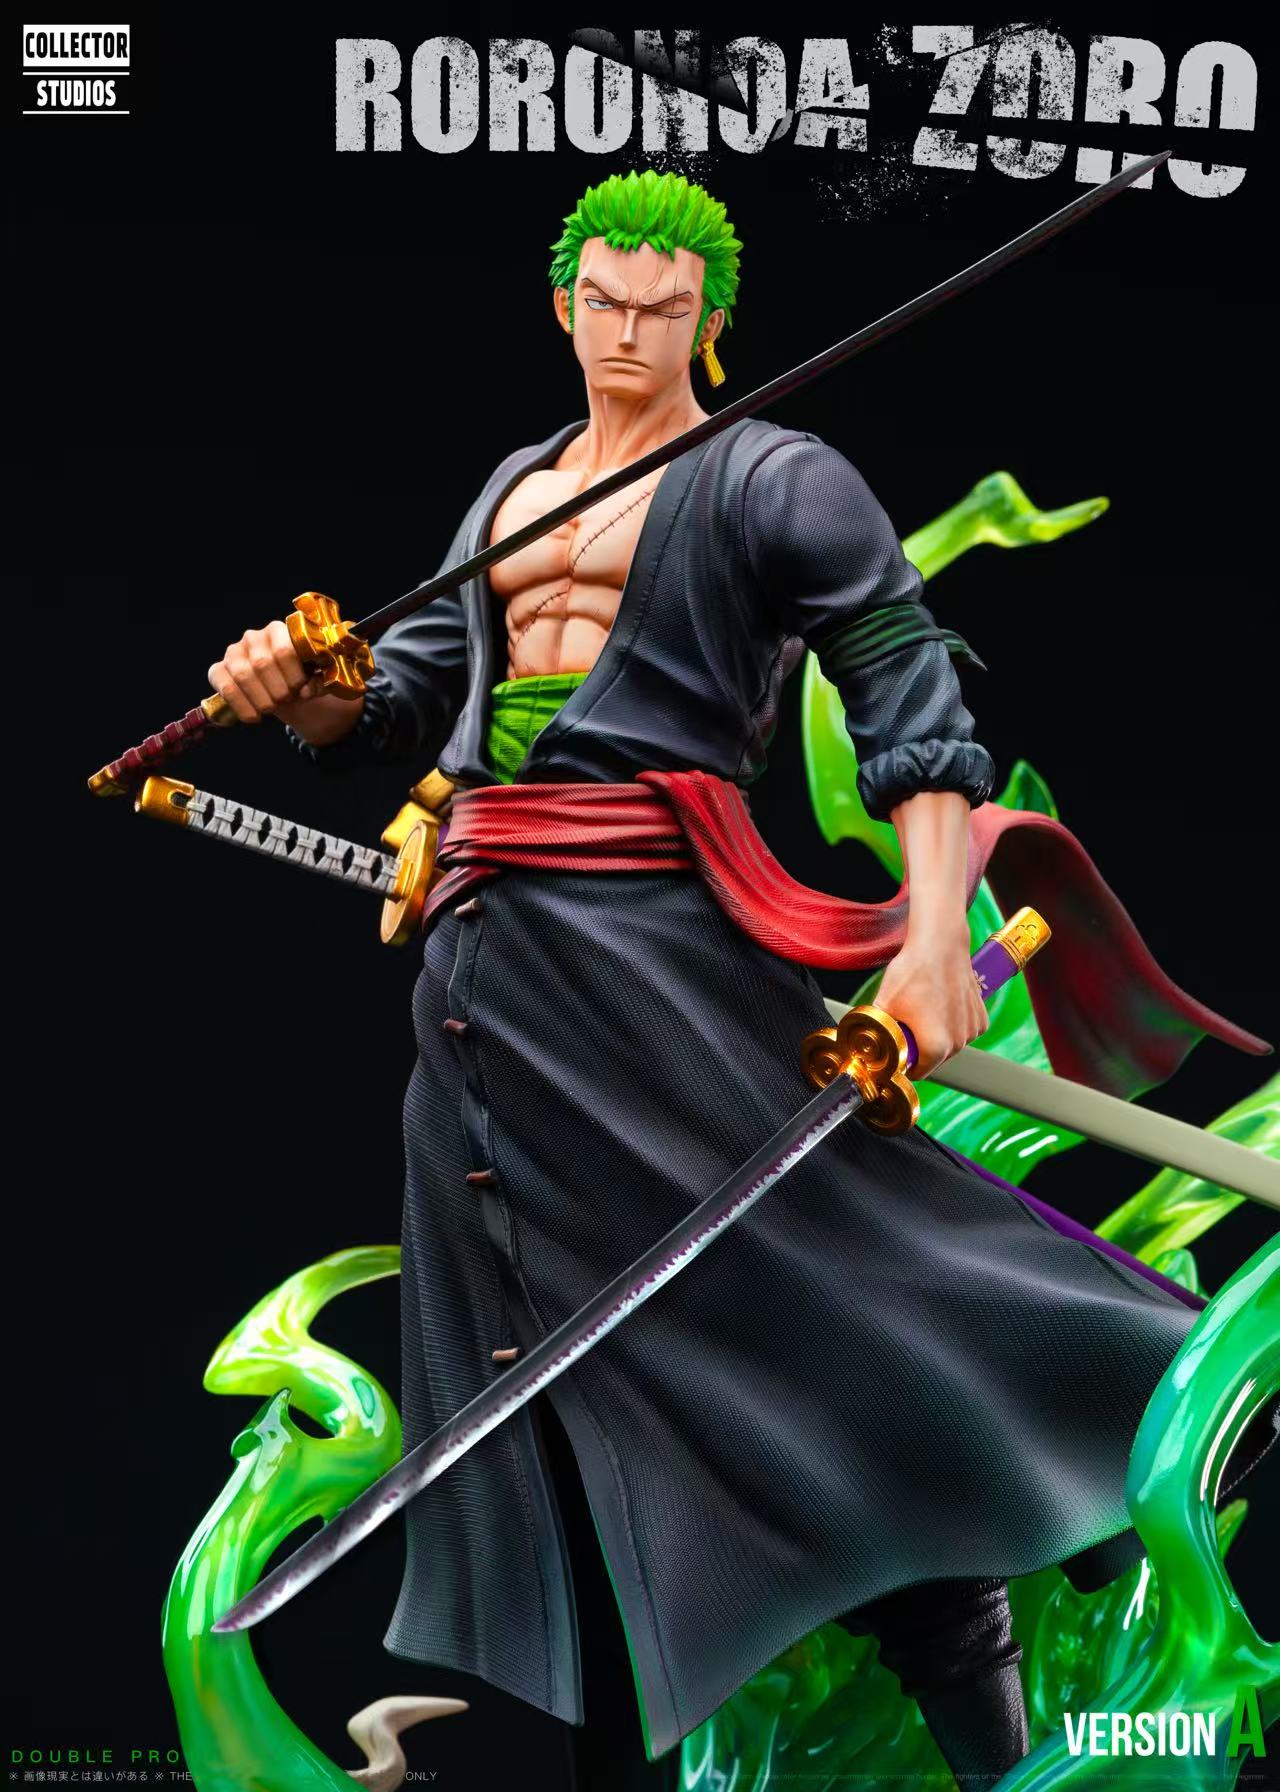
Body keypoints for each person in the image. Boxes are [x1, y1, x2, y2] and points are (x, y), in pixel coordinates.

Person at [206, 172, 1273, 1789]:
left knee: (840, 1307)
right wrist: (298, 691)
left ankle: (1107, 1478)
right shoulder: (510, 491)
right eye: (605, 303)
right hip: (489, 991)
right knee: (554, 1426)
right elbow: (408, 700)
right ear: (561, 306)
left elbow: (909, 703)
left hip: (662, 965)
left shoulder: (778, 481)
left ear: (711, 319)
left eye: (664, 308)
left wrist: (933, 935)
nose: (630, 334)